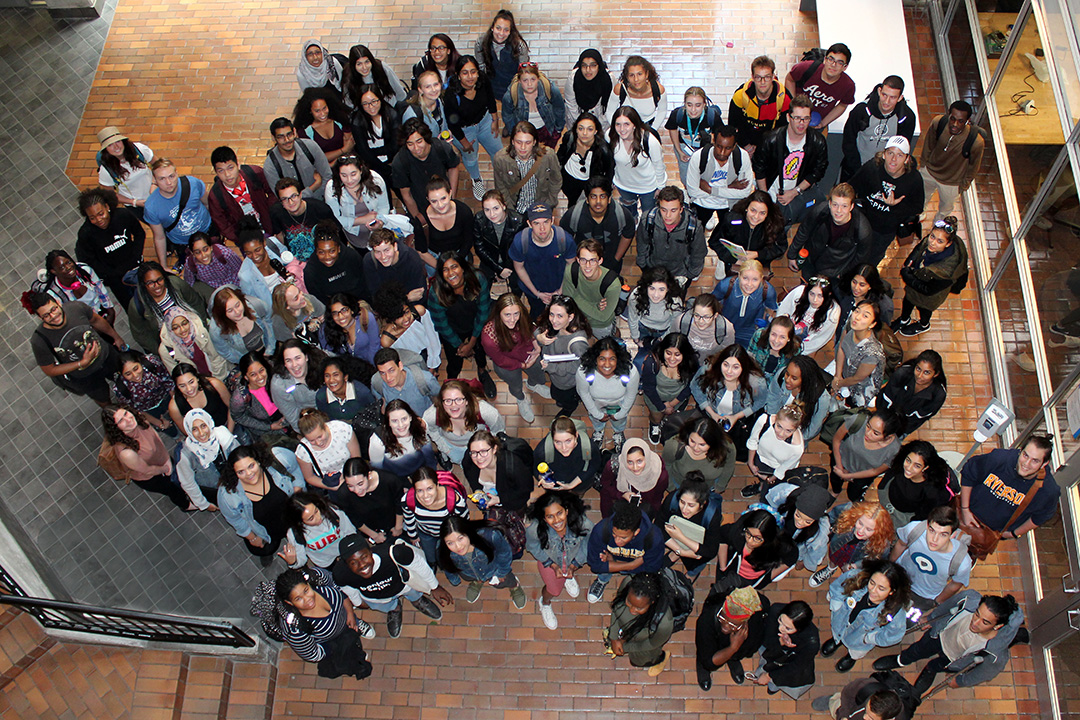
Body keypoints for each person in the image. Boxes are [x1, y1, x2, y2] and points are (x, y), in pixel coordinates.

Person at [872, 591, 1024, 695]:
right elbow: (948, 605)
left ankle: (930, 670)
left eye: (984, 622)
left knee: (936, 665)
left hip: (954, 658)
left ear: (998, 626)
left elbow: (984, 673)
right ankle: (901, 660)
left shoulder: (995, 652)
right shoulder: (969, 599)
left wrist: (960, 681)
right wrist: (932, 618)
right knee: (917, 650)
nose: (975, 623)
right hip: (940, 636)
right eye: (976, 614)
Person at [959, 436, 1060, 558]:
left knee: (964, 557)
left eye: (1035, 461)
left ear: (1044, 464)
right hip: (964, 516)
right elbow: (970, 472)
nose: (1026, 464)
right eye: (1025, 455)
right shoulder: (999, 459)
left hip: (990, 534)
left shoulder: (1047, 491)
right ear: (1020, 451)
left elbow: (1041, 516)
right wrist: (965, 509)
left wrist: (1013, 534)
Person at [333, 534, 449, 638]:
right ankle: (395, 609)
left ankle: (417, 601)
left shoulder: (393, 553)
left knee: (414, 593)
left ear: (371, 551)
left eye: (364, 557)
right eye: (353, 563)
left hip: (403, 586)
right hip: (376, 598)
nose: (362, 565)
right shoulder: (341, 574)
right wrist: (358, 602)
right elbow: (347, 589)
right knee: (387, 606)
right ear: (346, 564)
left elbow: (419, 564)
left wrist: (435, 587)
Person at [275, 567, 375, 680]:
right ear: (289, 602)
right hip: (333, 642)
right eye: (298, 599)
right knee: (350, 654)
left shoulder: (318, 577)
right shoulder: (294, 628)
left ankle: (356, 623)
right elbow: (312, 654)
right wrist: (338, 649)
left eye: (306, 590)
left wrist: (350, 612)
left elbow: (338, 587)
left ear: (308, 583)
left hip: (346, 618)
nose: (307, 599)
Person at [29, 294, 123, 405]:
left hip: (107, 356)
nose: (53, 316)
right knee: (104, 401)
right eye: (46, 315)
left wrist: (116, 337)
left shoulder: (76, 308)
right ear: (40, 318)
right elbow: (49, 370)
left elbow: (96, 320)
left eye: (54, 309)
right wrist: (81, 363)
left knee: (126, 380)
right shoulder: (39, 340)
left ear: (58, 303)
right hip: (86, 377)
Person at [218, 444, 305, 561]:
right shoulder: (228, 494)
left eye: (251, 466)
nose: (248, 474)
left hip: (291, 515)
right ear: (234, 473)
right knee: (264, 549)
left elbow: (295, 467)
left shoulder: (278, 459)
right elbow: (233, 518)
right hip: (266, 529)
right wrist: (252, 537)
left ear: (258, 461)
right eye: (241, 472)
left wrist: (297, 489)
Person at [753, 94, 829, 229]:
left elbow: (819, 171)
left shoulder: (817, 141)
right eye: (797, 118)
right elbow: (759, 168)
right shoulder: (771, 139)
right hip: (772, 193)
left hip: (797, 193)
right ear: (789, 117)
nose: (801, 123)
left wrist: (795, 192)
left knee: (786, 227)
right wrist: (765, 197)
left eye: (806, 119)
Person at [849, 136, 926, 267]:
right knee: (851, 250)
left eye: (899, 155)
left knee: (871, 259)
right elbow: (852, 186)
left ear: (907, 159)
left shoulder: (913, 179)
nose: (893, 159)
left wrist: (895, 206)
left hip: (884, 231)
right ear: (884, 154)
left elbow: (918, 207)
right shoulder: (872, 168)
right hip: (862, 221)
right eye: (890, 153)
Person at [824, 559, 912, 673]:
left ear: (892, 591)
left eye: (881, 588)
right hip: (841, 622)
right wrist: (836, 605)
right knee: (838, 632)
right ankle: (837, 640)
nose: (873, 590)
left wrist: (870, 638)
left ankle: (851, 656)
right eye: (872, 582)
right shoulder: (856, 578)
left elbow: (894, 635)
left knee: (856, 651)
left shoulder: (894, 612)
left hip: (859, 641)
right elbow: (838, 587)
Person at [99, 405, 193, 511]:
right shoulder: (127, 453)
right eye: (121, 421)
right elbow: (147, 470)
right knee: (172, 490)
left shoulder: (138, 419)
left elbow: (154, 436)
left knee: (179, 479)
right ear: (116, 428)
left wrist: (166, 458)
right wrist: (165, 469)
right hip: (153, 477)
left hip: (162, 460)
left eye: (126, 413)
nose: (128, 419)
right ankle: (185, 505)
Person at [526, 490, 594, 629]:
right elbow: (533, 547)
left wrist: (574, 565)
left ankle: (568, 576)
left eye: (559, 513)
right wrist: (552, 565)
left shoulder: (583, 523)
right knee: (554, 590)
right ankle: (544, 603)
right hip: (550, 560)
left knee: (566, 572)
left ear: (567, 511)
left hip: (572, 558)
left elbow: (589, 543)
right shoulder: (535, 529)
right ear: (544, 518)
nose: (557, 521)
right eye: (550, 516)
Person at [890, 505, 972, 616]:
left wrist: (936, 602)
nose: (934, 539)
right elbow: (901, 544)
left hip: (924, 596)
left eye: (943, 534)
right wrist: (890, 565)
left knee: (903, 621)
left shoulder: (961, 561)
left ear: (953, 535)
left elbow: (955, 584)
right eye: (932, 530)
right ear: (927, 525)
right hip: (899, 577)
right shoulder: (914, 530)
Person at [893, 217, 969, 337]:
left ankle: (924, 325)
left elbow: (928, 290)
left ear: (948, 244)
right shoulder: (932, 243)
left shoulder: (947, 271)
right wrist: (909, 263)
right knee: (908, 301)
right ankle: (904, 319)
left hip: (930, 297)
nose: (932, 243)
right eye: (932, 237)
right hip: (916, 282)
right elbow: (920, 247)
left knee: (924, 310)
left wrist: (907, 276)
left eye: (940, 241)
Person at [427, 253, 493, 388]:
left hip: (476, 324)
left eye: (454, 267)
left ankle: (482, 371)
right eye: (445, 270)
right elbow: (441, 323)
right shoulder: (436, 292)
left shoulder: (478, 278)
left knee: (480, 352)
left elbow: (483, 311)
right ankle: (451, 381)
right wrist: (460, 345)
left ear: (463, 268)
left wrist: (472, 342)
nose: (451, 273)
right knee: (454, 362)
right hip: (452, 331)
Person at [787, 183, 872, 285]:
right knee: (807, 289)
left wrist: (843, 274)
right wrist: (792, 255)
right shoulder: (820, 211)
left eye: (844, 206)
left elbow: (861, 258)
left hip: (834, 271)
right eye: (835, 205)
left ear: (851, 206)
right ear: (829, 203)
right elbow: (804, 231)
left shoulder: (862, 230)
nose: (839, 211)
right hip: (811, 262)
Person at [481, 292, 547, 422]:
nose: (513, 319)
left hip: (529, 353)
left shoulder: (521, 318)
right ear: (498, 313)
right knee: (515, 386)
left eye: (516, 314)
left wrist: (536, 345)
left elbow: (530, 328)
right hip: (508, 365)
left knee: (538, 375)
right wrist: (523, 365)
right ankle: (521, 399)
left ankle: (533, 385)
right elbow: (501, 360)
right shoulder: (488, 336)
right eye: (507, 315)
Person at [74, 188, 145, 306]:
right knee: (131, 304)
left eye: (100, 213)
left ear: (107, 207)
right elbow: (87, 260)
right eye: (92, 218)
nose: (98, 220)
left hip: (135, 264)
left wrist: (136, 256)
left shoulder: (123, 215)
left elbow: (139, 234)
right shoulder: (86, 233)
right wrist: (110, 274)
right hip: (115, 277)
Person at [445, 55, 503, 200]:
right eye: (465, 73)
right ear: (458, 75)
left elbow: (490, 99)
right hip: (464, 130)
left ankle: (502, 178)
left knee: (499, 153)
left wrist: (495, 119)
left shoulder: (482, 80)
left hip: (484, 122)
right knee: (470, 157)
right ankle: (476, 179)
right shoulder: (451, 95)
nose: (470, 77)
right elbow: (452, 122)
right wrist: (463, 141)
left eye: (473, 71)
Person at [586, 499, 665, 603]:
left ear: (636, 532)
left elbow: (651, 568)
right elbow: (594, 565)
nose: (617, 540)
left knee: (642, 582)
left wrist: (614, 564)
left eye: (623, 538)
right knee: (603, 570)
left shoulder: (653, 538)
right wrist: (631, 565)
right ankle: (602, 580)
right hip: (633, 563)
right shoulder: (602, 530)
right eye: (614, 534)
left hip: (623, 565)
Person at [439, 515, 527, 608]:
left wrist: (501, 573)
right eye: (450, 543)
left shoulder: (490, 536)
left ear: (467, 532)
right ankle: (478, 581)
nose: (458, 546)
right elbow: (446, 565)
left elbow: (504, 554)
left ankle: (514, 586)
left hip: (493, 569)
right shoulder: (443, 550)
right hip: (469, 573)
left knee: (505, 581)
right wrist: (454, 579)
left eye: (460, 538)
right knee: (471, 577)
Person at [691, 344, 767, 451]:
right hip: (710, 414)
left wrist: (736, 416)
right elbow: (695, 386)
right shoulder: (709, 370)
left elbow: (761, 401)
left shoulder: (756, 382)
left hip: (737, 421)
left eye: (736, 367)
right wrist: (712, 414)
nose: (729, 371)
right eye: (726, 365)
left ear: (744, 367)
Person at [840, 77, 916, 181]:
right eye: (884, 95)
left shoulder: (906, 117)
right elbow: (848, 141)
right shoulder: (861, 111)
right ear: (879, 91)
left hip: (884, 172)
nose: (887, 101)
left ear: (900, 98)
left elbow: (902, 148)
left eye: (893, 97)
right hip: (855, 168)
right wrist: (857, 168)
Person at [694, 586, 769, 690]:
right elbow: (710, 661)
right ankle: (703, 667)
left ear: (745, 622)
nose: (725, 626)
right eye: (722, 617)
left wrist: (737, 649)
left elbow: (752, 646)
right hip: (712, 642)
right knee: (705, 655)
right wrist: (733, 647)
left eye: (733, 625)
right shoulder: (708, 618)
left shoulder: (755, 621)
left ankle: (732, 659)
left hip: (736, 640)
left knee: (739, 650)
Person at [509, 202, 576, 317]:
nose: (542, 228)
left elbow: (571, 266)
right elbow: (519, 268)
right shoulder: (520, 241)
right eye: (536, 223)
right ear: (529, 224)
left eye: (546, 222)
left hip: (560, 287)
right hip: (533, 289)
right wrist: (537, 293)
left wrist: (560, 290)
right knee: (537, 315)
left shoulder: (565, 240)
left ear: (552, 220)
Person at [920, 100, 985, 220]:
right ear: (948, 115)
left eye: (960, 121)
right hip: (929, 172)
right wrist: (924, 165)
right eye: (952, 119)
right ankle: (919, 214)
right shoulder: (938, 122)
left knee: (945, 209)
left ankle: (938, 226)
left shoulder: (976, 142)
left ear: (967, 121)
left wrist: (963, 186)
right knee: (921, 197)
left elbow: (974, 166)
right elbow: (929, 144)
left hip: (952, 183)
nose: (955, 124)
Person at [143, 158, 213, 267]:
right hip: (183, 244)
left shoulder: (192, 184)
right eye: (162, 179)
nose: (169, 182)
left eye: (171, 176)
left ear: (177, 173)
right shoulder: (152, 206)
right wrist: (164, 266)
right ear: (155, 180)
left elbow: (208, 204)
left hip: (208, 232)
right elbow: (159, 237)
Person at [127, 261, 210, 353]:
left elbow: (195, 302)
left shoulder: (176, 284)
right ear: (143, 284)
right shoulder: (137, 305)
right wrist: (162, 351)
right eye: (150, 283)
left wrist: (203, 327)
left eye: (160, 280)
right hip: (169, 343)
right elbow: (140, 334)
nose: (157, 286)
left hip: (193, 328)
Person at [636, 185, 706, 292]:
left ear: (681, 209)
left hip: (679, 274)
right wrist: (644, 266)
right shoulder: (648, 220)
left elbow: (698, 254)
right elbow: (642, 244)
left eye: (673, 210)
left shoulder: (693, 227)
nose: (668, 215)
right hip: (653, 270)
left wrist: (690, 275)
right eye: (664, 210)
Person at [810, 502, 896, 589]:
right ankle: (830, 569)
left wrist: (856, 566)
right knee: (834, 558)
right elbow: (830, 517)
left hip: (855, 560)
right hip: (838, 546)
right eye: (860, 523)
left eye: (868, 529)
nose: (861, 531)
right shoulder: (847, 510)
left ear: (878, 531)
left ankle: (843, 581)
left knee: (848, 574)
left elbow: (875, 562)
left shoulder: (882, 545)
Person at [462, 429, 535, 529]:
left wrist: (500, 499)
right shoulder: (469, 461)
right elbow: (472, 480)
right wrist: (478, 492)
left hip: (513, 500)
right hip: (492, 500)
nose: (479, 458)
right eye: (474, 452)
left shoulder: (513, 465)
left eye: (484, 451)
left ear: (494, 449)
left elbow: (525, 490)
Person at [559, 176, 633, 274]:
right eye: (593, 196)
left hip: (611, 266)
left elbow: (628, 234)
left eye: (602, 196)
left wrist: (616, 259)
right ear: (587, 199)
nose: (598, 201)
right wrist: (574, 262)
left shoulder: (621, 214)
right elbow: (564, 238)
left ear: (609, 199)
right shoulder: (574, 215)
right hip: (583, 265)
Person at [577, 337, 640, 452]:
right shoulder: (584, 372)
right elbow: (584, 393)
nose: (607, 364)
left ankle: (618, 433)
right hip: (596, 405)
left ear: (618, 359)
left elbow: (631, 395)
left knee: (619, 422)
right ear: (595, 359)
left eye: (612, 359)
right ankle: (599, 431)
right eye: (602, 359)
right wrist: (597, 414)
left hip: (618, 406)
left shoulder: (630, 372)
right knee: (596, 421)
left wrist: (621, 414)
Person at [685, 123, 754, 228]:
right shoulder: (698, 157)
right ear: (713, 142)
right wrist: (729, 188)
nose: (722, 152)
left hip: (728, 205)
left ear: (734, 146)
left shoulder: (742, 157)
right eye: (719, 146)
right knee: (695, 235)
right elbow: (692, 191)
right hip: (702, 203)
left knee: (728, 237)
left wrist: (710, 189)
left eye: (728, 148)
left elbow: (745, 192)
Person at [391, 118, 460, 222]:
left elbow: (453, 168)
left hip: (444, 198)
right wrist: (418, 217)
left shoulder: (442, 148)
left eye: (419, 141)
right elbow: (406, 194)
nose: (416, 148)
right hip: (420, 204)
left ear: (425, 138)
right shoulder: (400, 162)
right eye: (410, 144)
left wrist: (451, 197)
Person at [605, 572, 674, 675]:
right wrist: (614, 638)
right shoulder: (629, 583)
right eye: (629, 602)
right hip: (631, 632)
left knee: (638, 661)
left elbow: (652, 643)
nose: (632, 610)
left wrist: (626, 647)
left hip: (645, 642)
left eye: (639, 608)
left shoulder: (664, 622)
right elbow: (616, 607)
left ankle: (660, 659)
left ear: (652, 602)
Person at [423, 379, 505, 466]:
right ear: (441, 402)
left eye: (458, 399)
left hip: (479, 446)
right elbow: (431, 430)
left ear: (467, 400)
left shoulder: (486, 412)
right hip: (452, 448)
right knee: (463, 464)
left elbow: (498, 432)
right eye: (448, 401)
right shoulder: (432, 415)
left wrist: (487, 449)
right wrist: (445, 449)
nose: (453, 405)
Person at [873, 440, 954, 526]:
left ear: (926, 467)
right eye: (908, 460)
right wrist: (882, 490)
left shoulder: (932, 490)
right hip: (887, 501)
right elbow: (889, 475)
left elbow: (923, 515)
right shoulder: (900, 463)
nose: (909, 468)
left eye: (917, 466)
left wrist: (907, 524)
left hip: (903, 517)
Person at [401, 466, 470, 569]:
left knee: (446, 556)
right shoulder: (408, 501)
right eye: (420, 490)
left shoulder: (454, 500)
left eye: (429, 488)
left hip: (448, 535)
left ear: (437, 485)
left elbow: (464, 521)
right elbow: (409, 519)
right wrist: (413, 536)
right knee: (430, 556)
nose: (425, 496)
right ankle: (432, 565)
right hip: (426, 533)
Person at [657, 474, 724, 577]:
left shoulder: (711, 515)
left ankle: (692, 572)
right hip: (677, 538)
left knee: (697, 561)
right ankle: (675, 553)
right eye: (682, 502)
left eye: (691, 505)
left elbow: (711, 551)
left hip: (697, 542)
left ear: (702, 504)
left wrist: (680, 537)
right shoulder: (672, 500)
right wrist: (680, 551)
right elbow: (658, 525)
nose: (684, 509)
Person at [715, 507, 798, 591]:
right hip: (731, 571)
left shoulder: (779, 544)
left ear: (768, 538)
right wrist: (723, 567)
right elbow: (723, 535)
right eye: (748, 533)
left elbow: (792, 555)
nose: (750, 541)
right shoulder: (738, 532)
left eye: (757, 538)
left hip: (754, 580)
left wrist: (768, 577)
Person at [535, 295, 592, 416]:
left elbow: (578, 366)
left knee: (565, 398)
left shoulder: (577, 343)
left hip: (566, 381)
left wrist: (551, 368)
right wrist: (539, 337)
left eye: (560, 316)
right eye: (551, 314)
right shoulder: (556, 325)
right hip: (555, 376)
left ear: (570, 317)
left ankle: (569, 408)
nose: (553, 320)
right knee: (556, 393)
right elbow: (538, 329)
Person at [750, 600, 820, 698]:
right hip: (775, 652)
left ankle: (774, 686)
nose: (780, 628)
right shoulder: (776, 610)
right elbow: (766, 640)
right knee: (768, 662)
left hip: (791, 663)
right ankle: (772, 685)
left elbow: (796, 667)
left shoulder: (811, 643)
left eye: (788, 628)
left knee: (780, 677)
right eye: (780, 621)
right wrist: (780, 642)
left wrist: (768, 676)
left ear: (799, 629)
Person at [830, 407, 903, 501]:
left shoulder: (894, 450)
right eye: (868, 426)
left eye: (875, 433)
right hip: (839, 459)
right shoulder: (857, 420)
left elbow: (875, 471)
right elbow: (836, 440)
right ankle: (835, 492)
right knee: (835, 480)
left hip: (863, 475)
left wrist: (848, 476)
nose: (868, 433)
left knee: (854, 494)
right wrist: (840, 468)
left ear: (889, 436)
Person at [206, 146, 277, 242]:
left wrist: (270, 213)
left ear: (238, 165)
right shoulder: (215, 196)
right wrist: (241, 238)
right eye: (221, 171)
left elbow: (272, 191)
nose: (227, 175)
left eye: (230, 168)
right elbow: (223, 225)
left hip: (269, 225)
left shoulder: (255, 173)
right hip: (245, 237)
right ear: (216, 172)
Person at [709, 190, 787, 276]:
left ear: (768, 213)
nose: (756, 217)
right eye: (753, 210)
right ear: (746, 208)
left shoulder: (774, 224)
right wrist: (732, 259)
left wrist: (758, 254)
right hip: (733, 263)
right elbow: (714, 241)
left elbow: (781, 247)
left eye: (762, 213)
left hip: (759, 265)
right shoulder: (731, 218)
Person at [610, 106, 667, 224]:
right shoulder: (611, 137)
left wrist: (660, 187)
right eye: (618, 124)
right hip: (624, 185)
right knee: (629, 213)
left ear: (634, 124)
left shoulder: (649, 141)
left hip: (647, 187)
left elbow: (659, 165)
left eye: (626, 124)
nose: (622, 129)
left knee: (648, 215)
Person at [323, 154, 391, 251]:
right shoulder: (332, 188)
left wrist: (379, 222)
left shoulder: (376, 180)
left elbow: (384, 206)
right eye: (344, 175)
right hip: (354, 235)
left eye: (353, 174)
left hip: (378, 231)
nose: (349, 180)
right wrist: (362, 220)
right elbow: (335, 219)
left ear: (361, 170)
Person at [641, 332, 699, 444]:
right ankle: (655, 425)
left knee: (675, 417)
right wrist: (662, 407)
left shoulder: (691, 363)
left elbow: (690, 386)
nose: (672, 359)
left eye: (677, 355)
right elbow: (649, 388)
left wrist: (672, 404)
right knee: (656, 416)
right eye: (668, 353)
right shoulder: (652, 363)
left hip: (678, 398)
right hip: (656, 398)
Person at [727, 56, 791, 157]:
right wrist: (746, 146)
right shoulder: (740, 96)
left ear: (773, 76)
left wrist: (765, 148)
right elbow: (734, 125)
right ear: (752, 77)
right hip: (745, 145)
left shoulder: (784, 99)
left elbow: (784, 130)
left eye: (767, 77)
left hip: (770, 145)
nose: (762, 82)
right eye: (758, 77)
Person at [333, 458, 406, 544]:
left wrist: (398, 527)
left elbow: (399, 505)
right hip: (371, 529)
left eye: (360, 484)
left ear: (369, 475)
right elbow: (355, 519)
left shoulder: (389, 481)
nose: (357, 490)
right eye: (350, 486)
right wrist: (374, 535)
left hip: (395, 523)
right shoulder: (344, 494)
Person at [494, 121, 562, 214]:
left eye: (528, 142)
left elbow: (556, 180)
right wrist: (510, 209)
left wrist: (549, 203)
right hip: (515, 207)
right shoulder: (501, 159)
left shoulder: (548, 156)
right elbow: (500, 187)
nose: (523, 147)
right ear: (513, 142)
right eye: (519, 142)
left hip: (540, 206)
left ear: (534, 142)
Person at [785, 43, 856, 131]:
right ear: (825, 59)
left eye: (839, 62)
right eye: (831, 59)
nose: (833, 65)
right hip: (795, 118)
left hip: (817, 123)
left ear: (845, 67)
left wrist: (823, 123)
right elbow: (790, 79)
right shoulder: (806, 68)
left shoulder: (848, 86)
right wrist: (793, 105)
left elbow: (843, 104)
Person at [371, 283, 441, 372]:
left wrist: (432, 366)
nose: (406, 319)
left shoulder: (419, 312)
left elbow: (433, 338)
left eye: (407, 312)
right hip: (412, 369)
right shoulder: (387, 340)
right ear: (391, 318)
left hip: (431, 356)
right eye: (399, 316)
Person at [280, 492, 358, 569]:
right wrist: (293, 562)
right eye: (311, 518)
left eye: (316, 511)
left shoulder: (332, 511)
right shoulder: (295, 534)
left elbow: (350, 532)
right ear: (300, 522)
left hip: (346, 550)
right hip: (325, 562)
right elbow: (301, 559)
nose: (318, 517)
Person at [743, 404, 807, 499]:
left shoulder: (797, 449)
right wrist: (751, 463)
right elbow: (753, 441)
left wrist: (770, 479)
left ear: (796, 428)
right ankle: (760, 487)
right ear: (776, 418)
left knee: (772, 489)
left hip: (777, 469)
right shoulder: (764, 421)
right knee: (761, 480)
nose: (781, 434)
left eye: (788, 431)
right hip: (760, 459)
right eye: (779, 426)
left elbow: (783, 469)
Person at [877, 351, 948, 436]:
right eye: (918, 369)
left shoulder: (938, 395)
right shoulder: (902, 374)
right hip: (884, 415)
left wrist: (898, 432)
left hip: (904, 427)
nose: (920, 376)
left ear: (936, 374)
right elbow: (886, 399)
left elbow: (918, 418)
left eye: (926, 372)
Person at [176, 408, 234, 511]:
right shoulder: (187, 454)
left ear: (209, 423)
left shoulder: (222, 434)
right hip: (218, 492)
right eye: (194, 429)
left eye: (203, 426)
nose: (201, 433)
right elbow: (188, 483)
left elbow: (240, 455)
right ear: (189, 430)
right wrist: (204, 504)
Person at [766, 483, 833, 573]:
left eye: (808, 521)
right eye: (798, 515)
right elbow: (772, 500)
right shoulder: (788, 494)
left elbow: (816, 553)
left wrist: (802, 562)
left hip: (794, 546)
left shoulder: (820, 532)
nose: (800, 522)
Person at [833, 300, 887, 409]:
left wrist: (839, 384)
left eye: (865, 316)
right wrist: (837, 376)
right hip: (846, 373)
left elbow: (857, 378)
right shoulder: (851, 325)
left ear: (872, 324)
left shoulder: (872, 353)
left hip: (860, 386)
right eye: (857, 311)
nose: (857, 317)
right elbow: (841, 349)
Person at [712, 260, 779, 348]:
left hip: (750, 331)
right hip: (725, 327)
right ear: (739, 275)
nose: (749, 284)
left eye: (755, 279)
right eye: (745, 278)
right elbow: (711, 302)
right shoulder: (725, 285)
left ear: (761, 278)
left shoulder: (768, 291)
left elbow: (771, 311)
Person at [665, 87, 724, 186]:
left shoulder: (712, 116)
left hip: (704, 149)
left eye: (698, 105)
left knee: (705, 177)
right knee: (685, 178)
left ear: (704, 105)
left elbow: (720, 136)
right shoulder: (678, 114)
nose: (693, 110)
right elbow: (673, 129)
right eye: (689, 105)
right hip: (684, 149)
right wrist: (679, 151)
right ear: (684, 104)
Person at [263, 117, 334, 200]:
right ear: (273, 138)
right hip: (293, 209)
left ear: (294, 132)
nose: (287, 140)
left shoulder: (311, 147)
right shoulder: (270, 165)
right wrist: (314, 187)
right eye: (281, 137)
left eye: (289, 134)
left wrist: (317, 199)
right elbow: (282, 197)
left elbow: (328, 176)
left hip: (321, 199)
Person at [411, 176, 475, 267]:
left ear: (450, 193)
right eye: (434, 201)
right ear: (428, 200)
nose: (440, 205)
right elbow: (421, 251)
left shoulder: (464, 212)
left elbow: (468, 241)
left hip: (459, 253)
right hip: (433, 257)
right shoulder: (421, 220)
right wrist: (442, 268)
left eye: (443, 198)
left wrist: (456, 263)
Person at [562, 238, 621, 337]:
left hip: (600, 325)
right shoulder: (571, 272)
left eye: (592, 260)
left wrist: (575, 297)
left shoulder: (612, 283)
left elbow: (603, 317)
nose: (587, 266)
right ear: (577, 260)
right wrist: (595, 306)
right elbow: (567, 302)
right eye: (583, 260)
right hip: (577, 320)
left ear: (600, 261)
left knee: (604, 348)